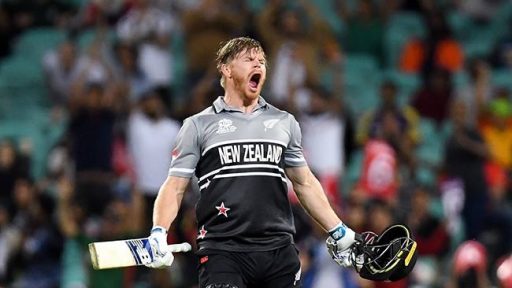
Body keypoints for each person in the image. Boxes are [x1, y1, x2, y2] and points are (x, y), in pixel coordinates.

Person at [144, 37, 358, 287]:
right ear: (226, 68)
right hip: (223, 252)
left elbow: (304, 183)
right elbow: (175, 186)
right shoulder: (197, 125)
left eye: (262, 61)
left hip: (279, 252)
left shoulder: (284, 122)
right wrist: (159, 230)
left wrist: (339, 230)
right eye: (249, 59)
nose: (258, 65)